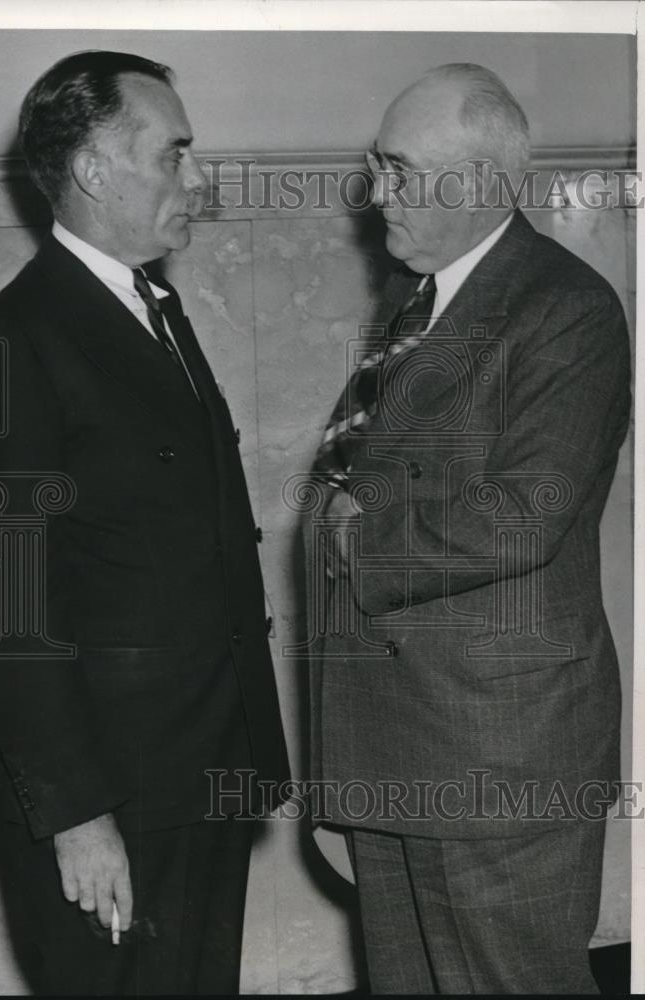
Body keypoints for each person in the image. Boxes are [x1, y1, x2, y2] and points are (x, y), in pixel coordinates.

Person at [0, 50, 289, 996]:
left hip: (202, 774)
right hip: (116, 796)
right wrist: (78, 817)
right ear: (96, 172)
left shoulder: (153, 307)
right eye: (175, 154)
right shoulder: (17, 341)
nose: (201, 179)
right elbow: (9, 613)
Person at [307, 63, 631, 994]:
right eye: (378, 164)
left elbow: (526, 513)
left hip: (498, 759)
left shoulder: (564, 308)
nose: (379, 192)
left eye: (401, 169)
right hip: (404, 743)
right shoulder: (427, 301)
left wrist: (355, 537)